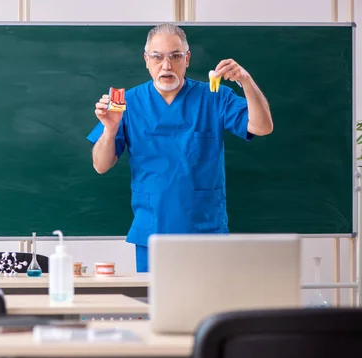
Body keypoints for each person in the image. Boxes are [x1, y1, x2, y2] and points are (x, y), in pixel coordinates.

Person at [86, 23, 273, 273]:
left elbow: (263, 127)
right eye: (157, 57)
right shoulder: (127, 104)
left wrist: (246, 81)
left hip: (205, 232)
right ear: (146, 60)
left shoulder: (214, 97)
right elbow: (100, 165)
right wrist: (110, 129)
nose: (166, 65)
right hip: (152, 233)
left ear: (187, 59)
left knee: (210, 307)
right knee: (157, 308)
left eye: (175, 56)